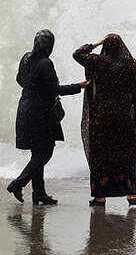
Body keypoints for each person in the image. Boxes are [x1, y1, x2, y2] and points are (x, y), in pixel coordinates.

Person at [73, 34, 136, 207]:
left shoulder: (98, 62)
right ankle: (132, 196)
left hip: (100, 115)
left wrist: (96, 43)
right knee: (126, 153)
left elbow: (77, 54)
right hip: (123, 115)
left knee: (99, 154)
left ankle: (99, 197)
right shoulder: (128, 65)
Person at [6, 29, 89, 205]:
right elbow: (56, 89)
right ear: (50, 45)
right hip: (40, 114)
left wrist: (34, 88)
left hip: (25, 109)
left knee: (36, 153)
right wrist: (79, 86)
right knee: (45, 153)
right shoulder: (46, 63)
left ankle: (39, 194)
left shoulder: (26, 57)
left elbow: (19, 79)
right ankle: (17, 183)